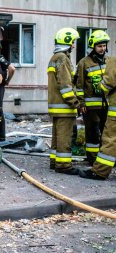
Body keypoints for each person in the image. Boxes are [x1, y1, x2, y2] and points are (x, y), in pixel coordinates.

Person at [47, 27, 82, 175]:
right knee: (64, 136)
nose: (74, 45)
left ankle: (55, 162)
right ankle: (63, 166)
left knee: (56, 136)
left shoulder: (54, 58)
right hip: (64, 107)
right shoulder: (62, 58)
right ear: (67, 42)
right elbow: (66, 85)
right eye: (73, 42)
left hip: (56, 107)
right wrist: (76, 103)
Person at [75, 30, 110, 165]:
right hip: (90, 106)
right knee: (92, 133)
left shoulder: (109, 61)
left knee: (106, 132)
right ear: (93, 46)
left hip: (107, 104)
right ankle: (92, 158)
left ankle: (105, 158)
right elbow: (79, 85)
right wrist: (81, 103)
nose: (102, 49)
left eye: (104, 46)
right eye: (99, 46)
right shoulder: (84, 63)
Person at [79, 57, 116, 180]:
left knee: (110, 139)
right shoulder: (84, 62)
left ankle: (99, 171)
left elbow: (107, 85)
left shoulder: (114, 61)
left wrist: (99, 85)